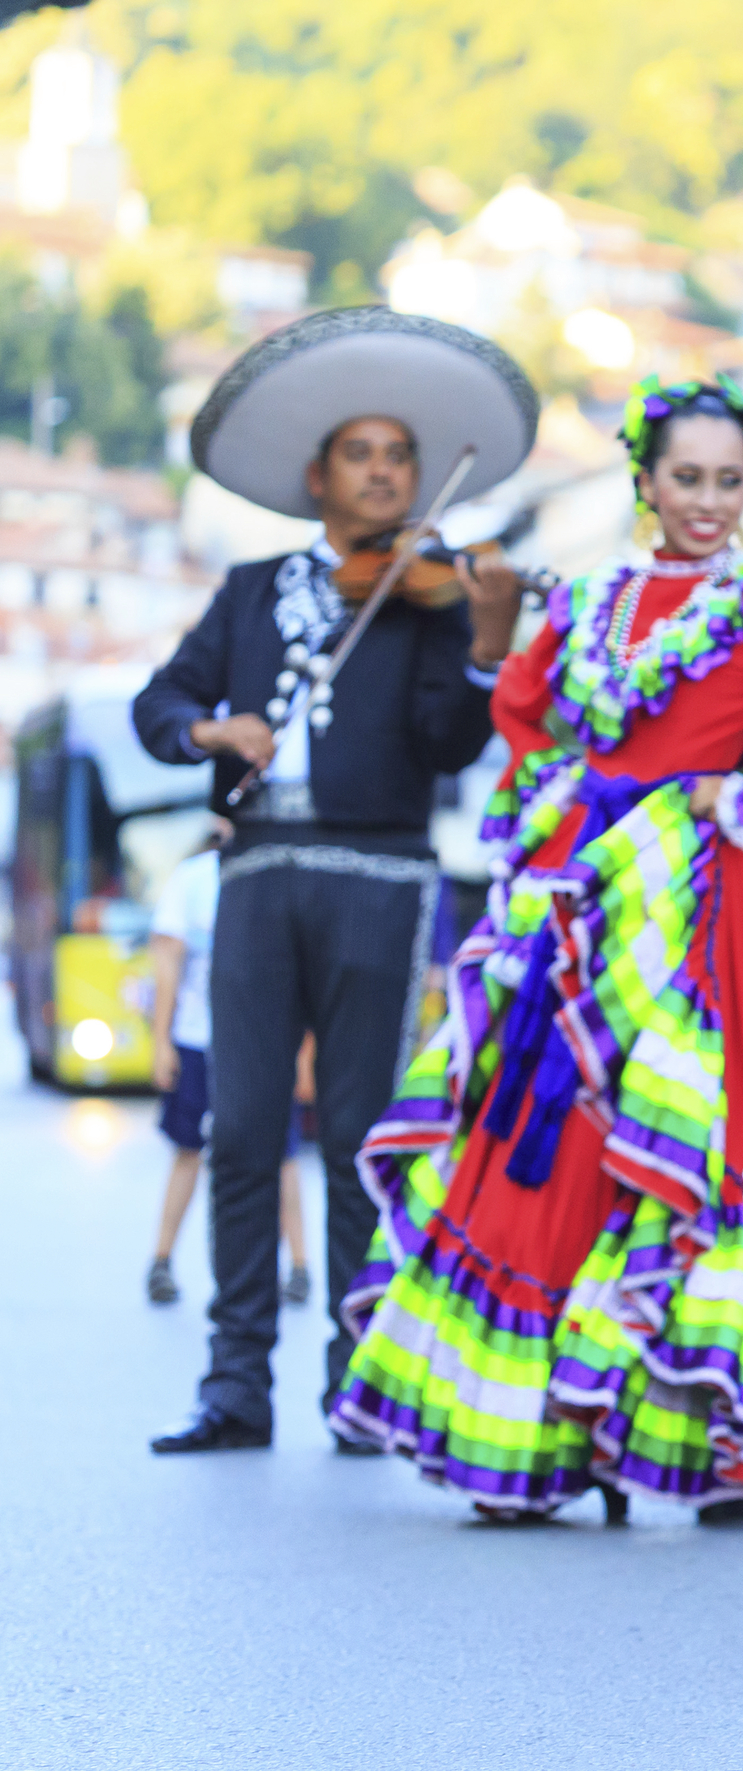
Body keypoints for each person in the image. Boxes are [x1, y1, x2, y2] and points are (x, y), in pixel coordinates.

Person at [326, 375, 743, 1523]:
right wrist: (561, 790)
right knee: (542, 1130)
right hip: (576, 893)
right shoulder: (589, 594)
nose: (707, 500)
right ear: (644, 480)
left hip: (696, 902)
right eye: (686, 478)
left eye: (729, 481)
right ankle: (541, 1436)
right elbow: (524, 709)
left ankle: (694, 1435)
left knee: (679, 1143)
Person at [133, 307, 536, 1455]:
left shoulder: (436, 592)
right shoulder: (253, 591)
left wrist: (479, 644)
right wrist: (216, 730)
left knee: (360, 1131)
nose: (381, 473)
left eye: (397, 456)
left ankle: (362, 1379)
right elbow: (158, 705)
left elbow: (453, 745)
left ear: (418, 475)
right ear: (319, 476)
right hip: (257, 869)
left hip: (383, 868)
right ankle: (235, 1382)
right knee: (242, 1126)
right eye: (360, 454)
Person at [145, 834, 312, 1309]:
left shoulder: (285, 871)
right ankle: (161, 1260)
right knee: (188, 1151)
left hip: (266, 1042)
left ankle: (299, 1267)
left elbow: (305, 976)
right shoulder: (194, 879)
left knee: (281, 1156)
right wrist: (162, 1041)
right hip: (199, 1037)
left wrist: (302, 1054)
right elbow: (167, 965)